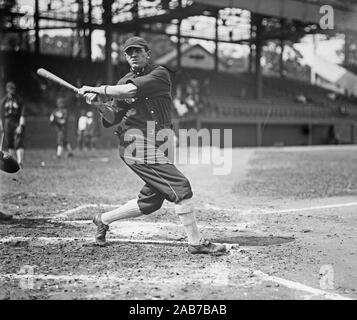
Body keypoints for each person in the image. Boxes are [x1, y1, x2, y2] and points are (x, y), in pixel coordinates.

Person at [78, 36, 226, 255]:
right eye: (129, 53)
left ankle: (103, 220)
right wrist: (99, 104)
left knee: (152, 201)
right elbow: (112, 118)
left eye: (138, 51)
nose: (134, 55)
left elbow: (131, 91)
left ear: (148, 53)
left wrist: (98, 89)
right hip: (134, 142)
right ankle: (195, 242)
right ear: (126, 58)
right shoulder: (120, 83)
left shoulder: (160, 74)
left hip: (162, 139)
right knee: (180, 186)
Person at [0, 81, 26, 168]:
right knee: (10, 142)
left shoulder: (19, 100)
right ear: (7, 89)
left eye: (13, 89)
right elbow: (1, 114)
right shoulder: (3, 101)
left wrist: (21, 125)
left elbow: (23, 113)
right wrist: (1, 124)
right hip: (7, 122)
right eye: (10, 89)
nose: (12, 90)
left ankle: (20, 161)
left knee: (18, 142)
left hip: (16, 121)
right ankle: (12, 163)